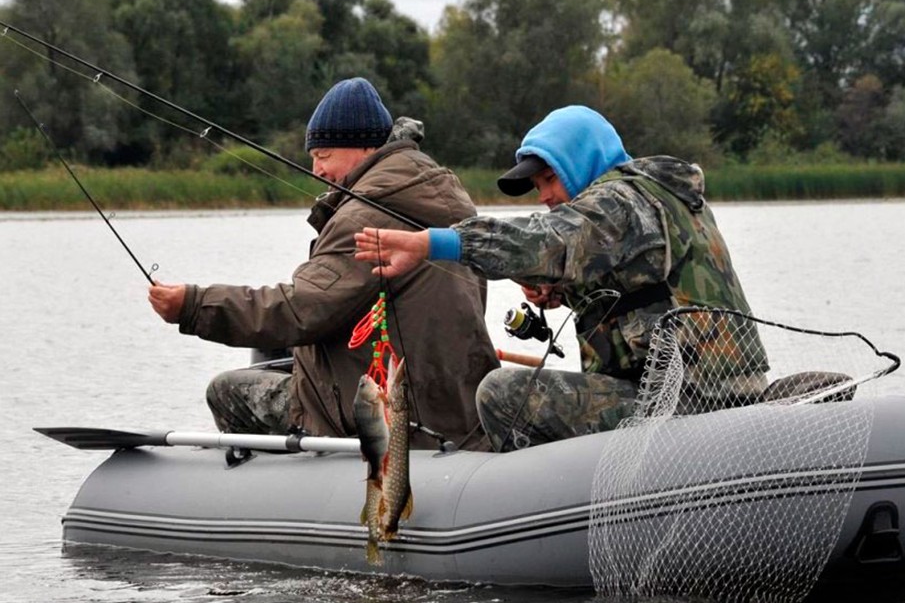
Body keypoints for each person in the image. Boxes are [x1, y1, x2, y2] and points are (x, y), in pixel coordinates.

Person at [354, 105, 767, 452]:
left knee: (504, 395)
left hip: (689, 401)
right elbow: (645, 285)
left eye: (549, 179)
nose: (545, 196)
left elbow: (544, 240)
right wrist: (565, 292)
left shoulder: (618, 201)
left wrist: (432, 243)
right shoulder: (656, 194)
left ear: (584, 160)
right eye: (538, 186)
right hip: (720, 388)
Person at [148, 77, 499, 450]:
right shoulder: (445, 198)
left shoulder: (365, 217)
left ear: (365, 147)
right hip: (458, 408)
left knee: (227, 390)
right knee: (280, 356)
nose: (316, 169)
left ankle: (289, 481)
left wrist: (193, 305)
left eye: (324, 155)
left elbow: (299, 311)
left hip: (395, 418)